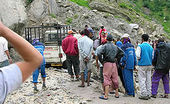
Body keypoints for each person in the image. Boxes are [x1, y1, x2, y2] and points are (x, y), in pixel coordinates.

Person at [0, 22, 43, 103]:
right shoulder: (3, 40)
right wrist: (4, 30)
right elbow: (35, 59)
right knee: (39, 73)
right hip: (4, 60)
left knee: (35, 74)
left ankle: (35, 86)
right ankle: (42, 84)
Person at [98, 34, 124, 100]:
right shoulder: (115, 46)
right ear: (112, 40)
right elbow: (122, 53)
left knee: (106, 78)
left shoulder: (105, 46)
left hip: (107, 63)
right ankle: (117, 94)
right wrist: (117, 59)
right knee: (115, 78)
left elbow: (99, 53)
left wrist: (102, 61)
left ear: (106, 39)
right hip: (114, 64)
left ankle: (106, 95)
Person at [136, 34, 153, 100]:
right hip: (149, 64)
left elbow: (137, 55)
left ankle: (143, 93)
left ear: (142, 39)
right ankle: (149, 93)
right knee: (148, 79)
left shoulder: (140, 46)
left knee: (142, 79)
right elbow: (152, 56)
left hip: (142, 64)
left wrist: (139, 58)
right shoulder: (150, 47)